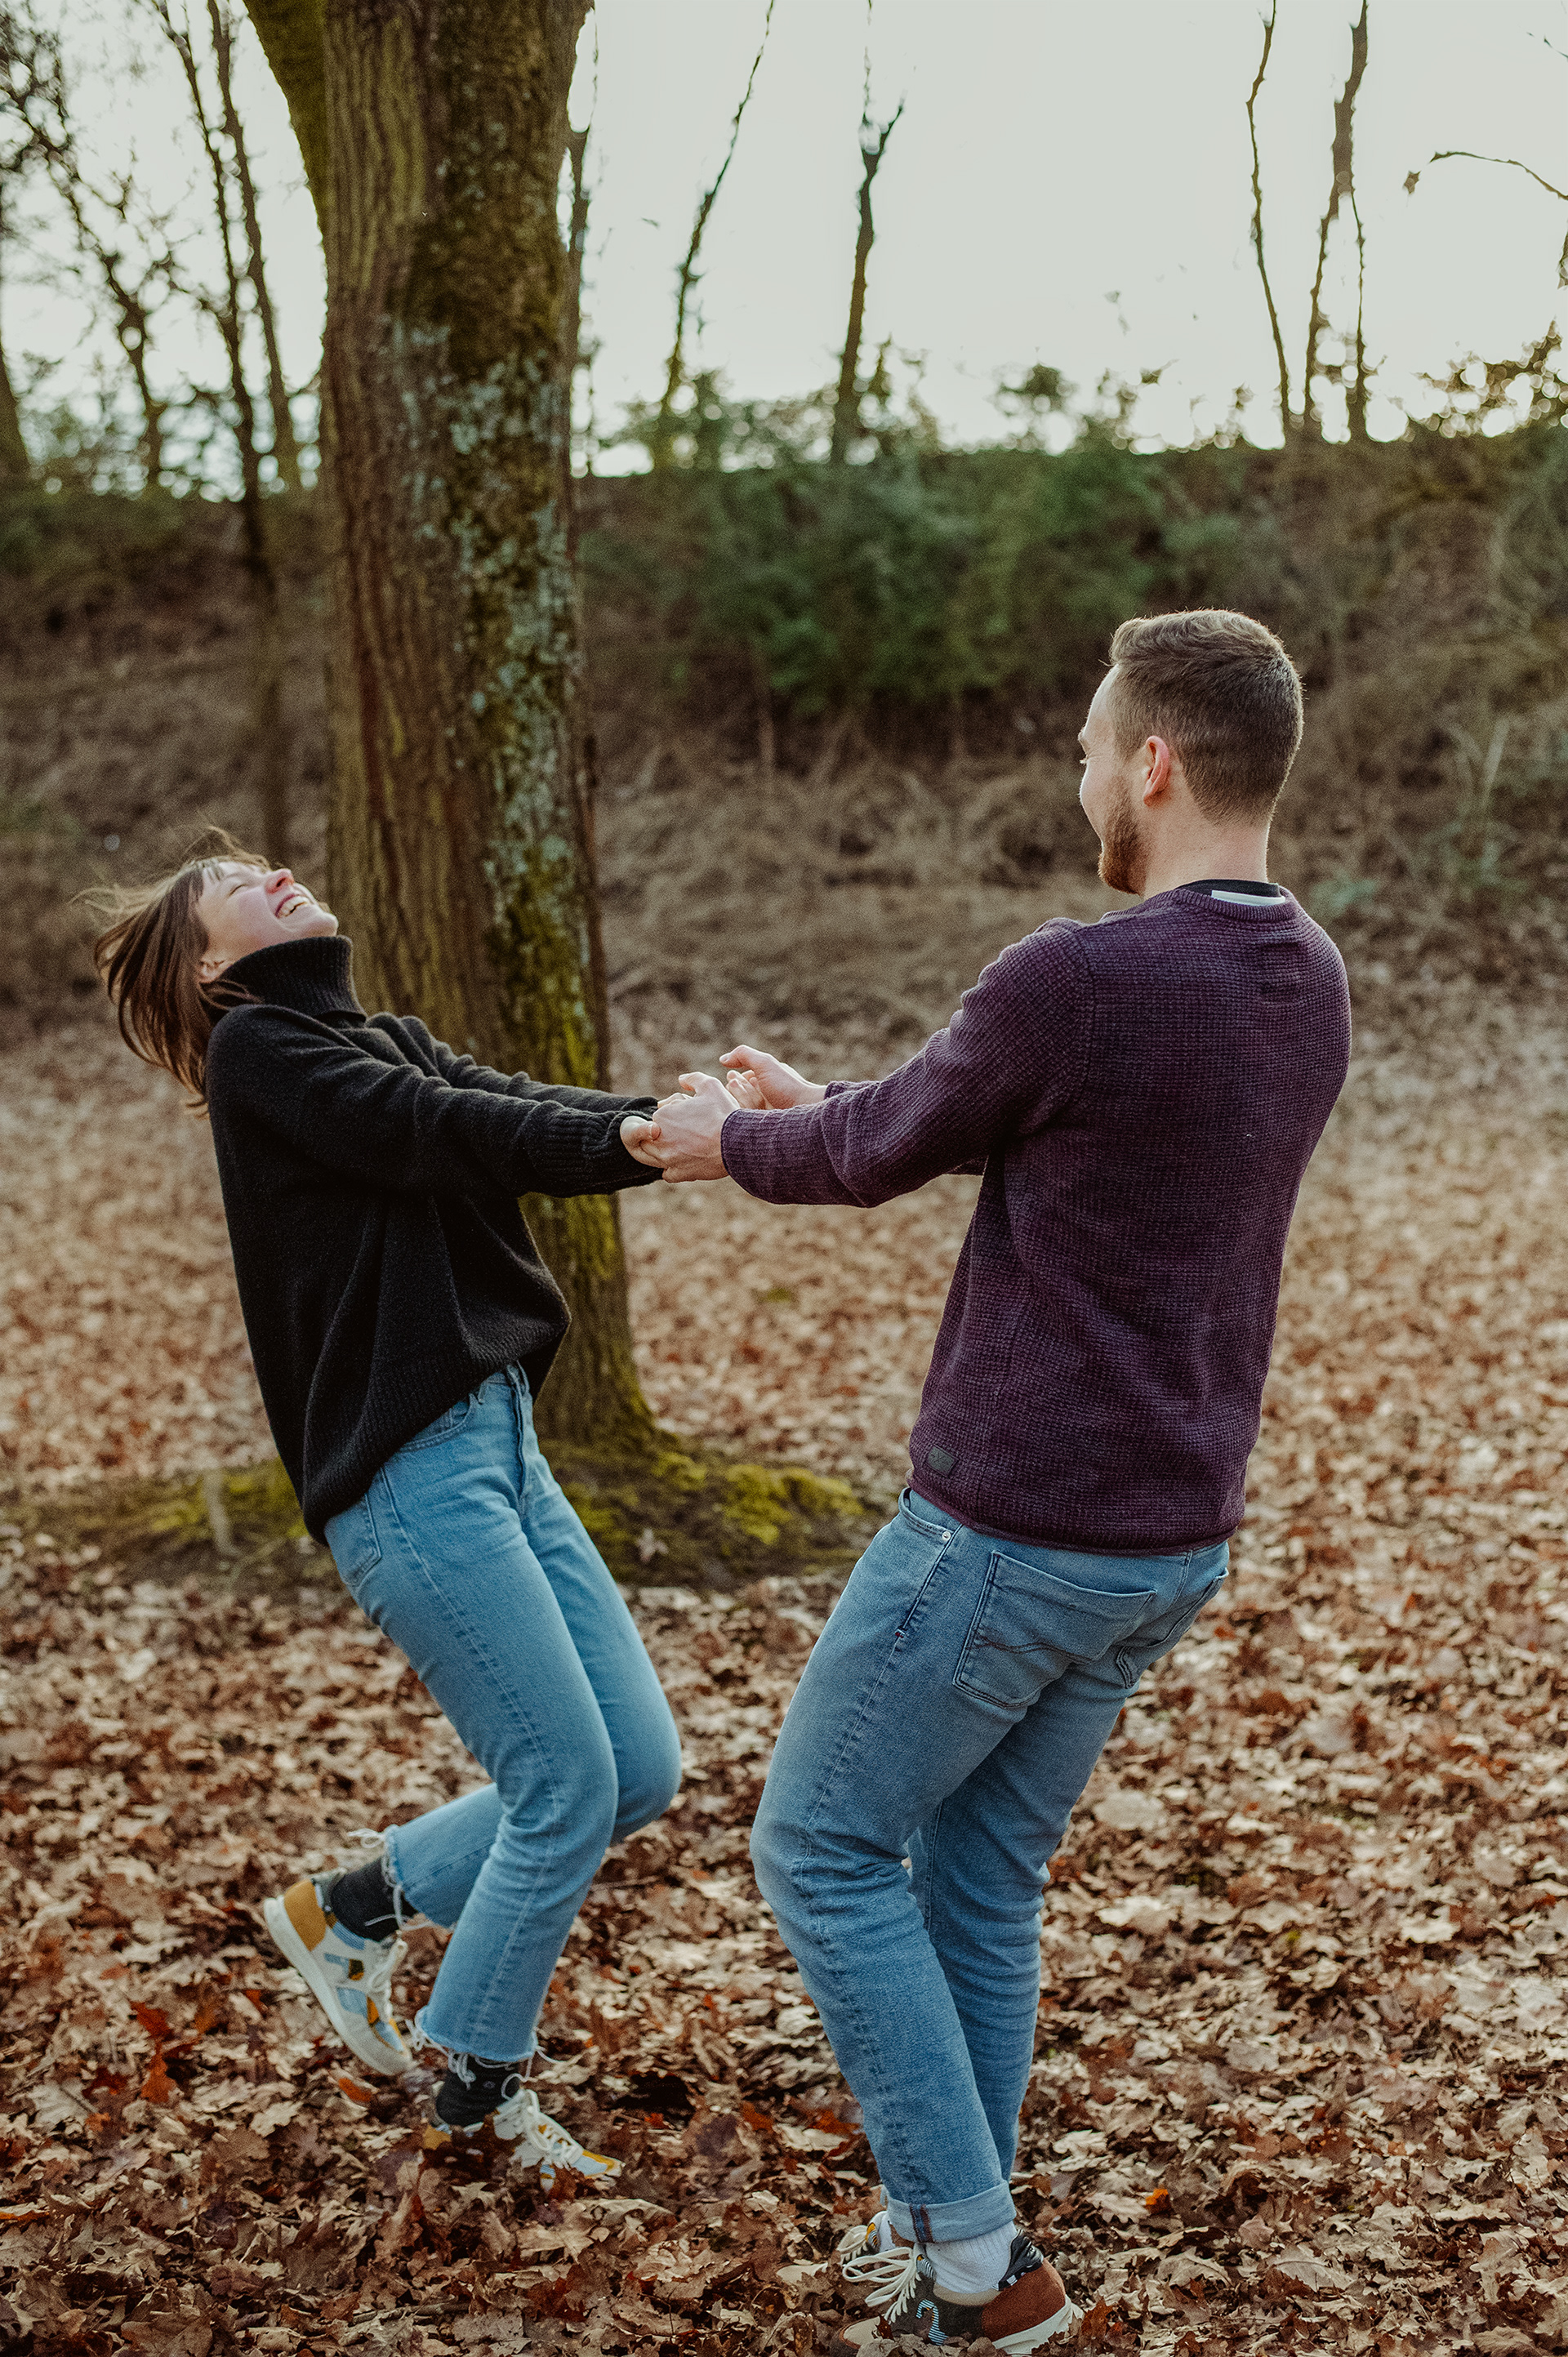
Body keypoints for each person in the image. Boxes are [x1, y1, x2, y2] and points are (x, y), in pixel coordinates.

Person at [631, 609, 1352, 2350]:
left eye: (1093, 747)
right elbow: (1005, 1129)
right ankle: (948, 2224)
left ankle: (977, 2263)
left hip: (1013, 1536)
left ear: (1154, 763)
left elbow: (891, 1146)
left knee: (815, 1845)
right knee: (974, 1882)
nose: (1080, 773)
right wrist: (827, 1105)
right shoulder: (1306, 975)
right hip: (1165, 1540)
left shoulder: (1076, 977)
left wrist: (738, 1141)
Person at [92, 839, 684, 2181]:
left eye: (266, 859)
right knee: (563, 1784)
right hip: (411, 1475)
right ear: (209, 963)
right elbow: (439, 1131)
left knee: (636, 1767)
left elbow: (501, 1101)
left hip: (502, 1452)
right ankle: (475, 2100)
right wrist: (642, 1141)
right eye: (234, 882)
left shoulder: (376, 1039)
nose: (272, 872)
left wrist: (672, 1124)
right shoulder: (263, 1055)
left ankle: (355, 1905)